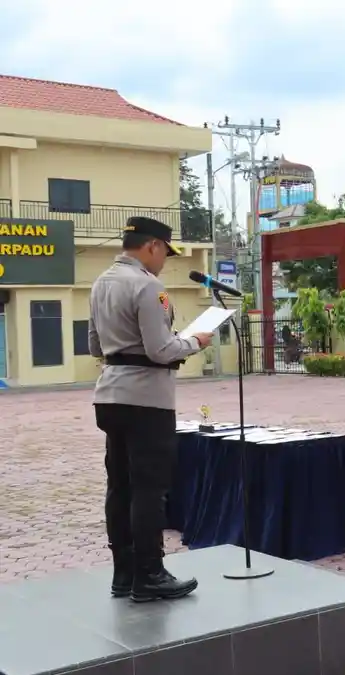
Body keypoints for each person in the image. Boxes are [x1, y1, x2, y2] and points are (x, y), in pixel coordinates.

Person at [89, 216, 211, 601]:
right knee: (149, 490)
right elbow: (160, 350)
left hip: (110, 396)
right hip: (146, 400)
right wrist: (195, 342)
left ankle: (124, 574)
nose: (163, 262)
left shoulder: (100, 283)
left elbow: (95, 346)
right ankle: (150, 575)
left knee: (119, 487)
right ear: (153, 245)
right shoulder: (147, 285)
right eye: (164, 253)